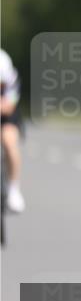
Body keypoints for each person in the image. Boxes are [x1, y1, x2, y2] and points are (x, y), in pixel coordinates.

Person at [1, 48, 25, 212]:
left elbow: (9, 106)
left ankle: (13, 188)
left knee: (9, 141)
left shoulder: (9, 72)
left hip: (6, 115)